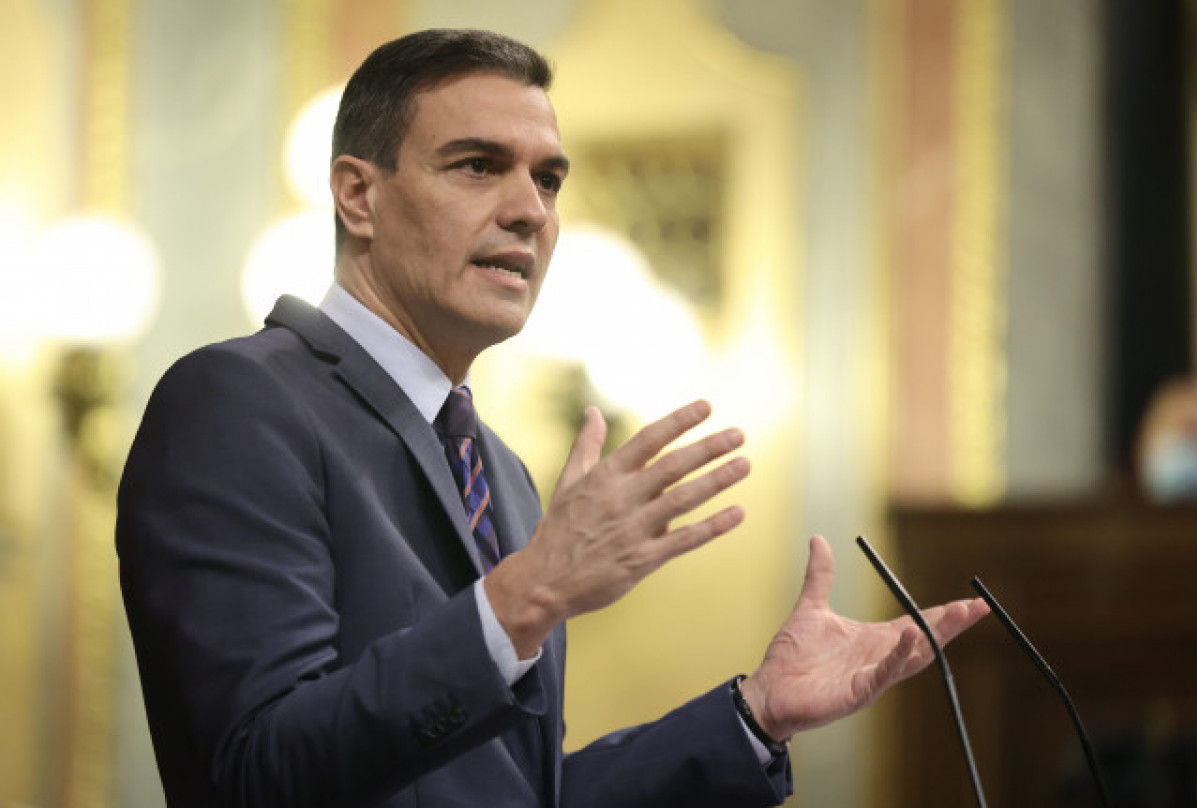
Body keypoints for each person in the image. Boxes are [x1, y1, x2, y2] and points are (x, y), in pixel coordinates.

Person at [116, 28, 988, 808]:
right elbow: (257, 772)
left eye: (548, 179)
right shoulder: (238, 403)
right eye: (477, 165)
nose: (530, 210)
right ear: (357, 196)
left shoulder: (502, 472)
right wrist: (525, 597)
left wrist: (755, 715)